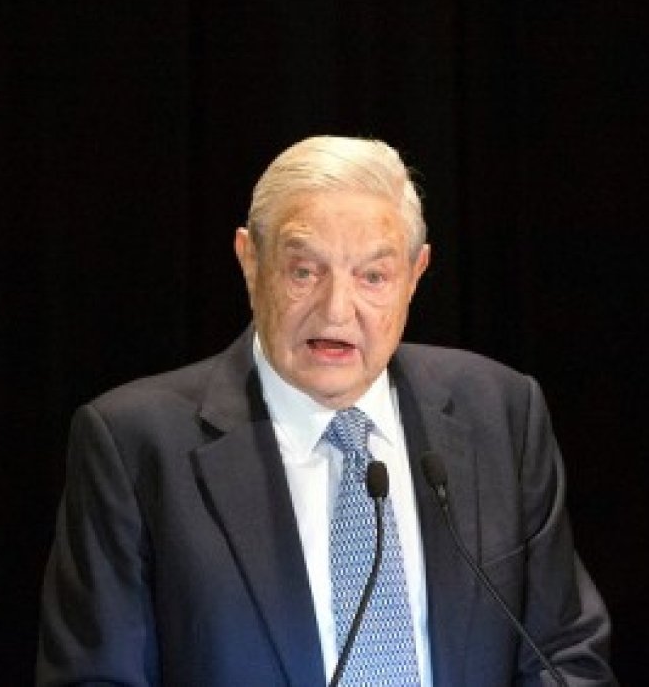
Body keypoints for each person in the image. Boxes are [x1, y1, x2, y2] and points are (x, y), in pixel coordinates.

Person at [36, 136, 614, 686]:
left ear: (415, 275)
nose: (337, 310)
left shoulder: (501, 413)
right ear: (249, 260)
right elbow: (95, 675)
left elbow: (566, 653)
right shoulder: (135, 444)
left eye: (373, 276)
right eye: (304, 272)